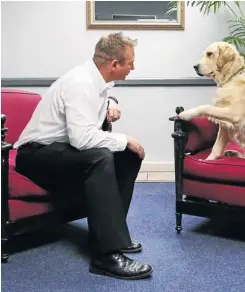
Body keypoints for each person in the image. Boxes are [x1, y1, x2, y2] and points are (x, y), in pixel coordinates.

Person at [14, 33, 153, 280]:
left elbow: (90, 112)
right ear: (114, 65)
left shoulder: (96, 81)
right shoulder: (81, 83)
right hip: (35, 155)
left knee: (128, 156)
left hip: (59, 150)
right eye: (130, 62)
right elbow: (82, 140)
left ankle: (112, 234)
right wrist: (125, 139)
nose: (133, 67)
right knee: (101, 156)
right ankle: (105, 255)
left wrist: (110, 101)